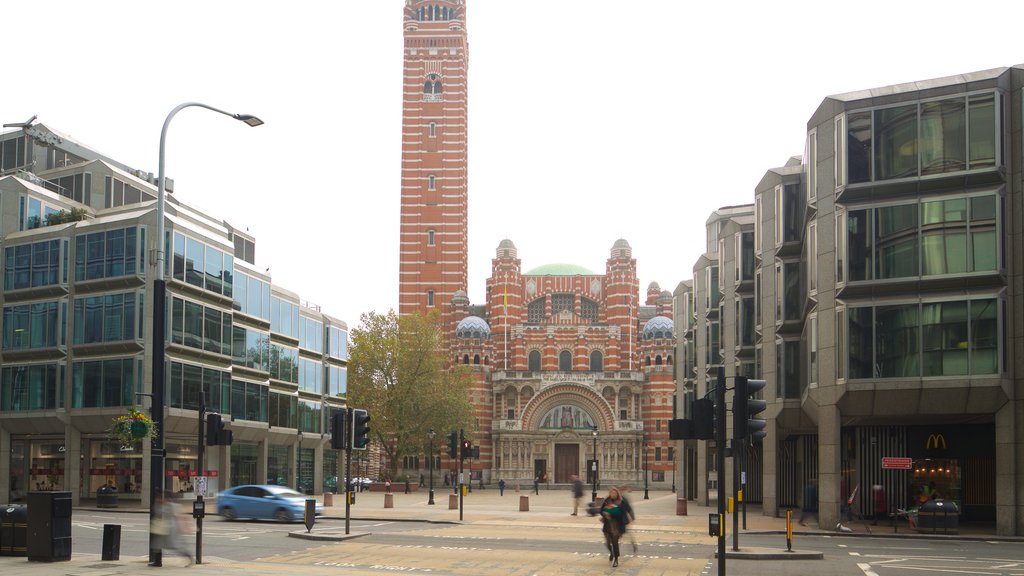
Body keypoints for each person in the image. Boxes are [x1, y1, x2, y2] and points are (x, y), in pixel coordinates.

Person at [151, 492, 192, 566]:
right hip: (166, 527)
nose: (158, 499)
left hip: (168, 527)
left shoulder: (170, 505)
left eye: (160, 498)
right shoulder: (169, 505)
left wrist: (186, 526)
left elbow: (181, 516)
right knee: (158, 544)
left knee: (174, 546)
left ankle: (188, 556)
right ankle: (157, 561)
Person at [599, 487, 625, 567]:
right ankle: (611, 553)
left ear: (617, 494)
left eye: (614, 493)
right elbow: (601, 510)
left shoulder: (621, 502)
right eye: (611, 493)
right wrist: (604, 514)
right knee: (607, 543)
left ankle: (616, 559)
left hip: (616, 526)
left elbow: (622, 514)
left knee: (614, 543)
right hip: (607, 525)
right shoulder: (607, 501)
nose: (612, 494)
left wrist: (611, 514)